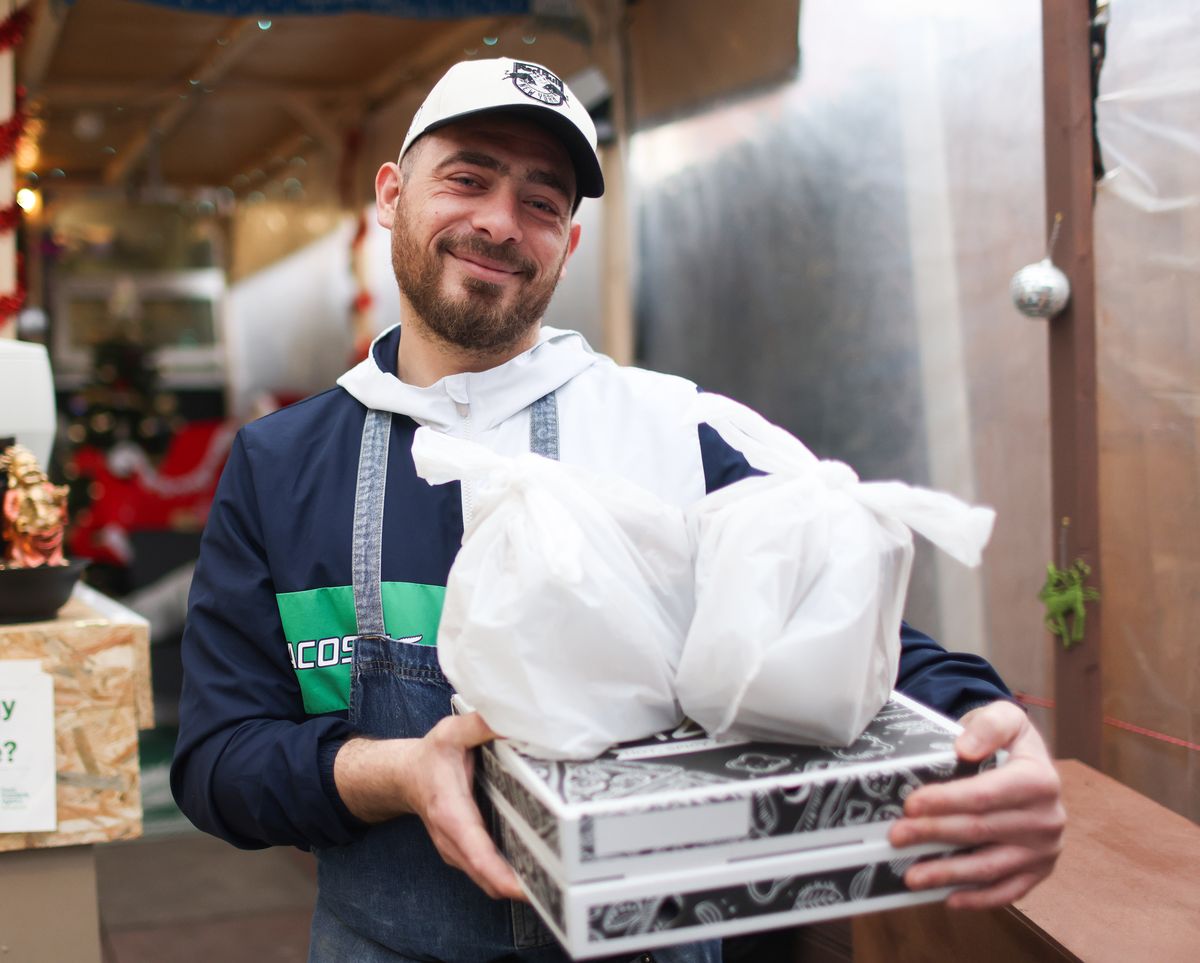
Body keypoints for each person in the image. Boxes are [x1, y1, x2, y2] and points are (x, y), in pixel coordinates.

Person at [172, 58, 1064, 963]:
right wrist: (397, 771)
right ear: (392, 195)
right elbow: (218, 759)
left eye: (540, 201)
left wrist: (989, 723)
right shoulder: (281, 466)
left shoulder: (677, 431)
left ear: (568, 243)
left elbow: (851, 632)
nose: (499, 222)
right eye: (468, 179)